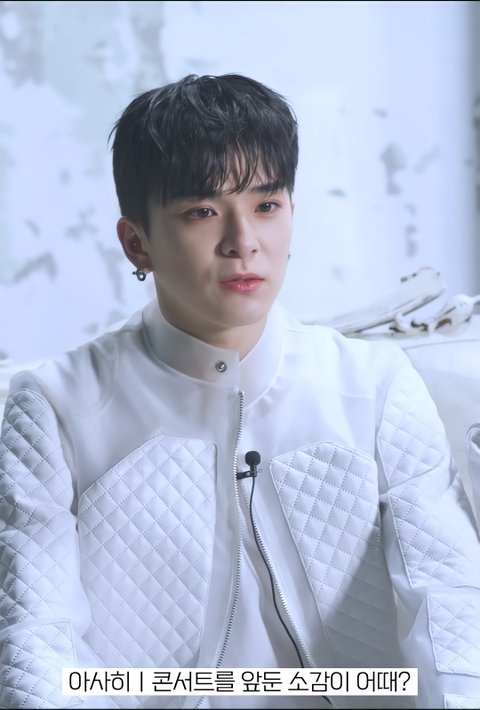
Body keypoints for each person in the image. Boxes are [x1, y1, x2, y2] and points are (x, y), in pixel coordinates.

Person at [1, 73, 480, 710]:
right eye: (202, 211)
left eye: (266, 205)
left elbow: (452, 605)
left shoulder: (374, 386)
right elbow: (37, 644)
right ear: (137, 242)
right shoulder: (54, 407)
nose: (243, 242)